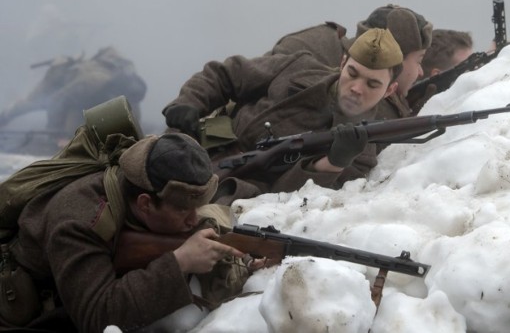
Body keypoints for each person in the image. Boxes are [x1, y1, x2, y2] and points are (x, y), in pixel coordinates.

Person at [6, 133, 249, 332]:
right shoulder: (78, 221)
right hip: (29, 311)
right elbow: (97, 317)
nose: (193, 219)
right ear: (145, 204)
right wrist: (179, 263)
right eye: (184, 210)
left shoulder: (144, 183)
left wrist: (243, 255)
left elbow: (188, 223)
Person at [163, 28, 404, 204]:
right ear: (342, 64)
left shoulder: (360, 151)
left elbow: (291, 201)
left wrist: (332, 164)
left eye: (373, 84)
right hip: (205, 144)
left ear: (390, 90)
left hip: (239, 193)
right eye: (352, 73)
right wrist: (189, 102)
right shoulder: (298, 67)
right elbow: (227, 74)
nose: (357, 88)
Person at [267, 4, 433, 121]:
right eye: (419, 60)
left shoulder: (317, 40)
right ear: (394, 57)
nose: (420, 72)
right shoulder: (378, 110)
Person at [0, 46, 147, 140]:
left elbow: (132, 122)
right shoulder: (91, 82)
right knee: (37, 103)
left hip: (86, 99)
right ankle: (5, 116)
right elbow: (58, 100)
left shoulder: (131, 88)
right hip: (72, 92)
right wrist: (56, 134)